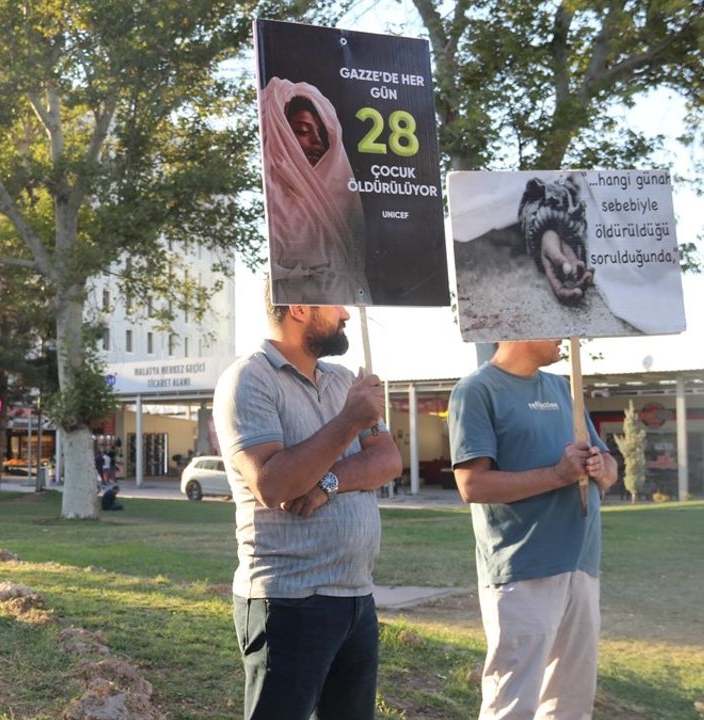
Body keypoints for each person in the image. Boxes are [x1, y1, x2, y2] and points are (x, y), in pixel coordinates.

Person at [212, 280, 401, 720]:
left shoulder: (344, 381)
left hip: (356, 596)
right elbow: (273, 483)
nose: (347, 314)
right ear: (298, 307)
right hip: (288, 600)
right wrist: (350, 421)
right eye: (336, 304)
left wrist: (325, 483)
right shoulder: (249, 378)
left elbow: (388, 460)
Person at [448, 340, 619, 719]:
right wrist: (559, 474)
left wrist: (600, 467)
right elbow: (472, 485)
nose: (564, 336)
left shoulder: (563, 387)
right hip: (522, 569)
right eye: (551, 321)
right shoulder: (476, 390)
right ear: (520, 326)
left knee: (570, 705)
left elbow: (608, 466)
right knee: (513, 705)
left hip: (581, 564)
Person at [259, 77, 367, 307]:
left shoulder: (343, 195)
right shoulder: (268, 198)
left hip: (340, 306)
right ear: (281, 134)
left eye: (323, 133)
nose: (317, 141)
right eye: (302, 130)